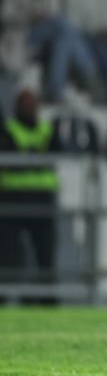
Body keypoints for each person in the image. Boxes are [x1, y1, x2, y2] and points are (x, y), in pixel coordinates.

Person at [0, 0, 98, 103]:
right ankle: (89, 73)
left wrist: (43, 16)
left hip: (43, 36)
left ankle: (55, 89)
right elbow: (5, 15)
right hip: (21, 34)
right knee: (63, 26)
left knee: (64, 38)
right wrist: (30, 16)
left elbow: (54, 11)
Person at [0, 89, 58, 300]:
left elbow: (57, 154)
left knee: (45, 255)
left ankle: (47, 300)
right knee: (7, 257)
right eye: (25, 105)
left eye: (32, 104)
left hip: (42, 201)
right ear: (16, 108)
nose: (29, 109)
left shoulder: (47, 129)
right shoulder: (8, 130)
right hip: (12, 200)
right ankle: (3, 299)